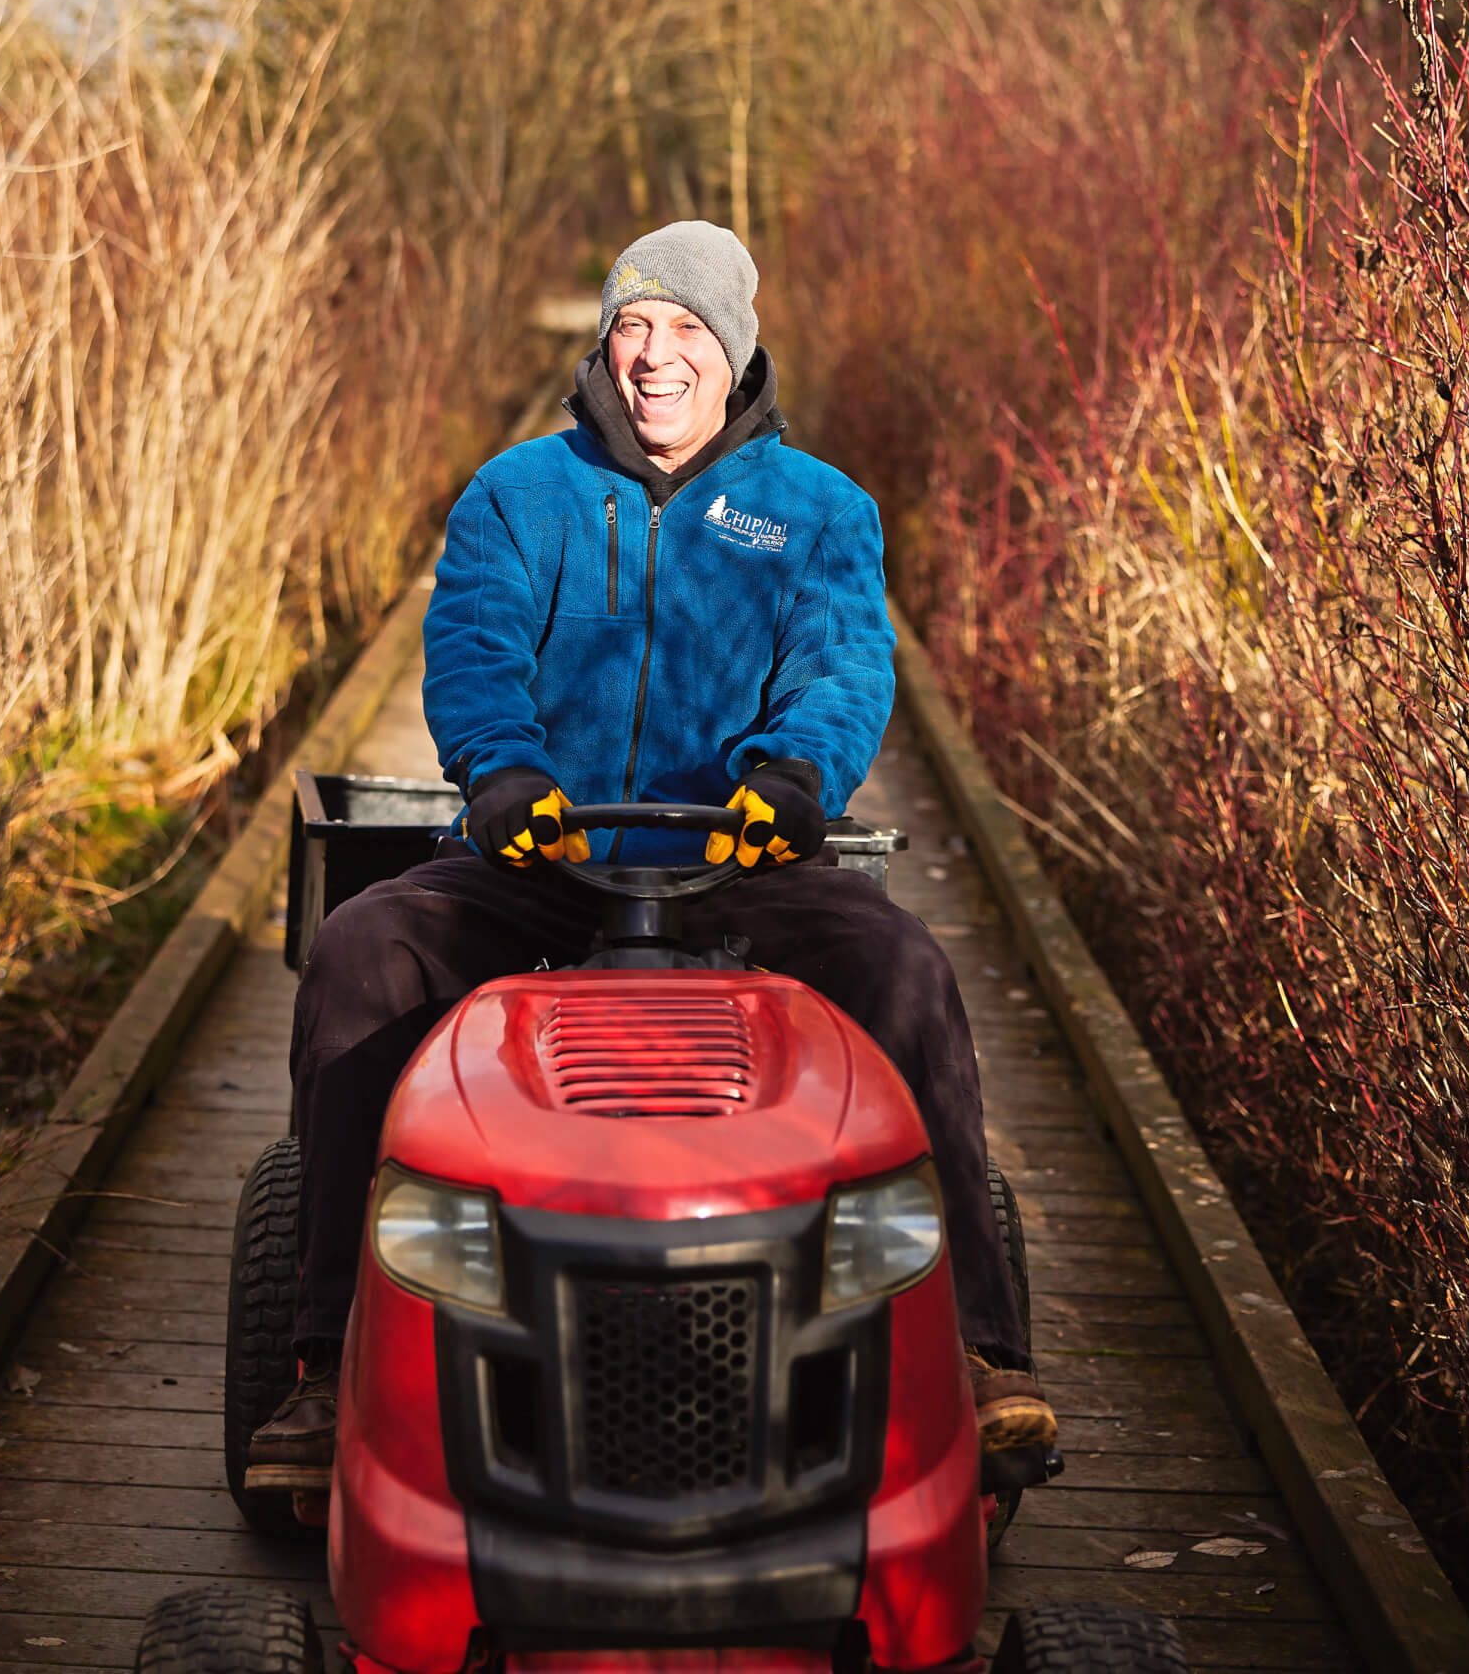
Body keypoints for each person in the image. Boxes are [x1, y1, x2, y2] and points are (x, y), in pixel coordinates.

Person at [245, 220, 1056, 1492]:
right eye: (633, 325)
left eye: (686, 329)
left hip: (740, 861)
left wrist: (791, 781)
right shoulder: (518, 493)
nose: (654, 355)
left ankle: (979, 1352)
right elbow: (472, 650)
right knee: (358, 954)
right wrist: (505, 773)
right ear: (603, 343)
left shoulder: (819, 512)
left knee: (905, 971)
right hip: (536, 863)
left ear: (732, 352)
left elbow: (843, 672)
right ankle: (321, 1360)